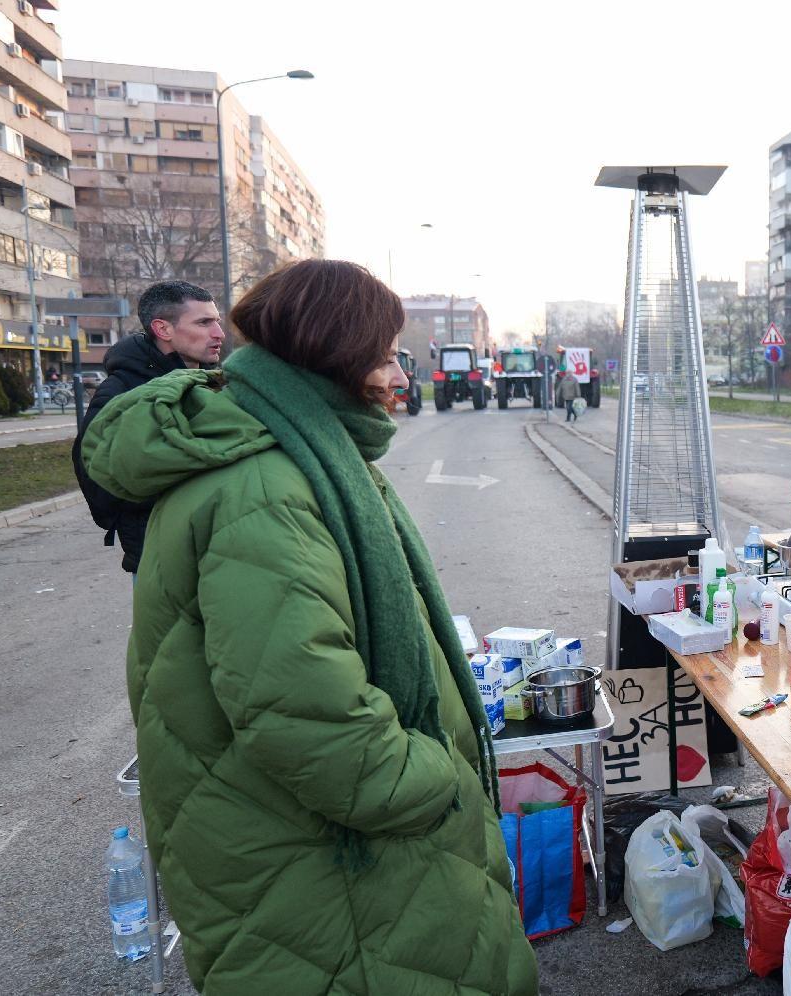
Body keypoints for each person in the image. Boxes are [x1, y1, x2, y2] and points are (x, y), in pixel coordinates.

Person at [81, 260, 537, 995]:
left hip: (307, 849)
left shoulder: (297, 449)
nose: (397, 375)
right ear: (339, 357)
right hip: (322, 866)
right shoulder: (268, 486)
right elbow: (308, 717)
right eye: (385, 355)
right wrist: (438, 773)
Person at [71, 280, 224, 574]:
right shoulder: (123, 392)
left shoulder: (213, 383)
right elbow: (99, 480)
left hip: (218, 554)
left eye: (216, 321)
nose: (219, 333)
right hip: (160, 561)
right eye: (204, 322)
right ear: (163, 329)